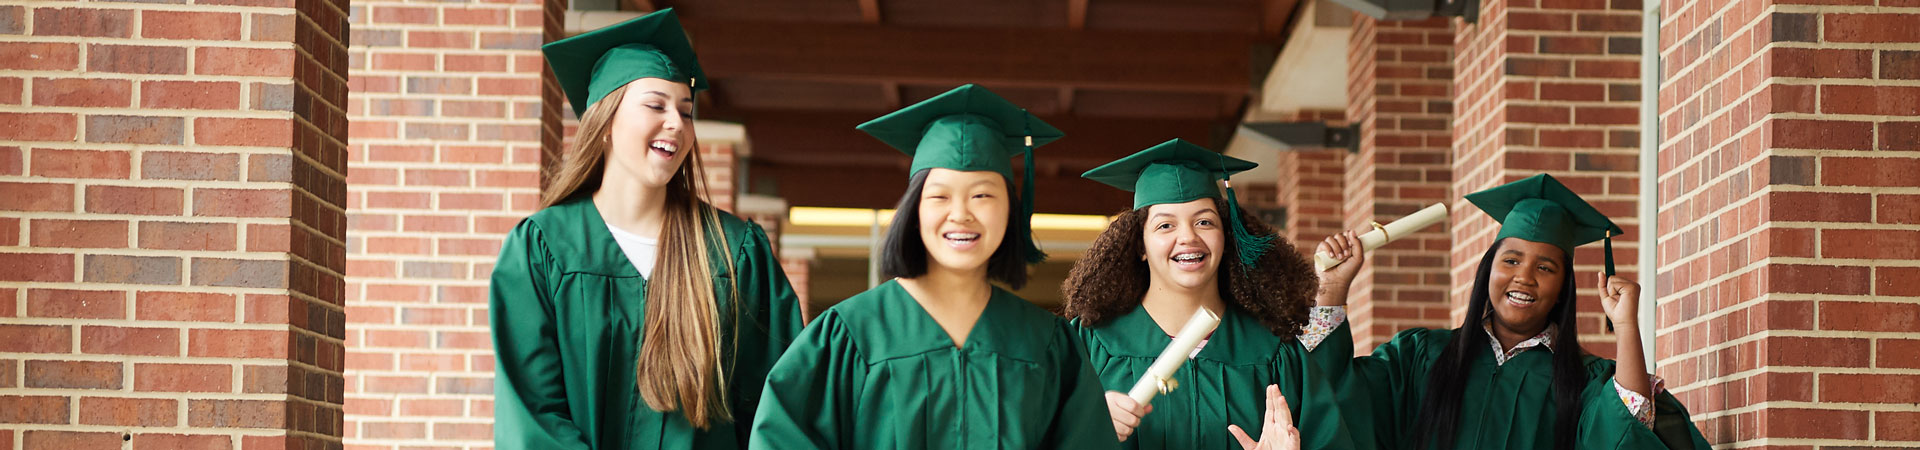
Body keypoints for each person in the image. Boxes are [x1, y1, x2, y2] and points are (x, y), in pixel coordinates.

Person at [489, 9, 804, 449]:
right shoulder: (544, 250)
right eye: (655, 105)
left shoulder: (733, 253)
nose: (676, 122)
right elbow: (532, 415)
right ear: (605, 124)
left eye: (686, 110)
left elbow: (778, 411)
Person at [748, 84, 1117, 449]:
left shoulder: (1047, 343)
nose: (960, 214)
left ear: (1010, 209)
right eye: (939, 195)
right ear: (914, 210)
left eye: (982, 195)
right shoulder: (849, 335)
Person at [1309, 173, 1711, 450]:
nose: (1525, 278)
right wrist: (1333, 287)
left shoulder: (1582, 382)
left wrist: (1625, 326)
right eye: (1512, 261)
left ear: (1562, 290)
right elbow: (1330, 393)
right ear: (1488, 270)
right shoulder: (1420, 357)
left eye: (1545, 267)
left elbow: (1625, 430)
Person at [1062, 139, 1352, 450]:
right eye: (1165, 226)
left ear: (1226, 236)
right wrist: (1086, 428)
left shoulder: (1273, 352)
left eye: (1204, 222)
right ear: (1139, 246)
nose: (1187, 237)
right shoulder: (1090, 347)